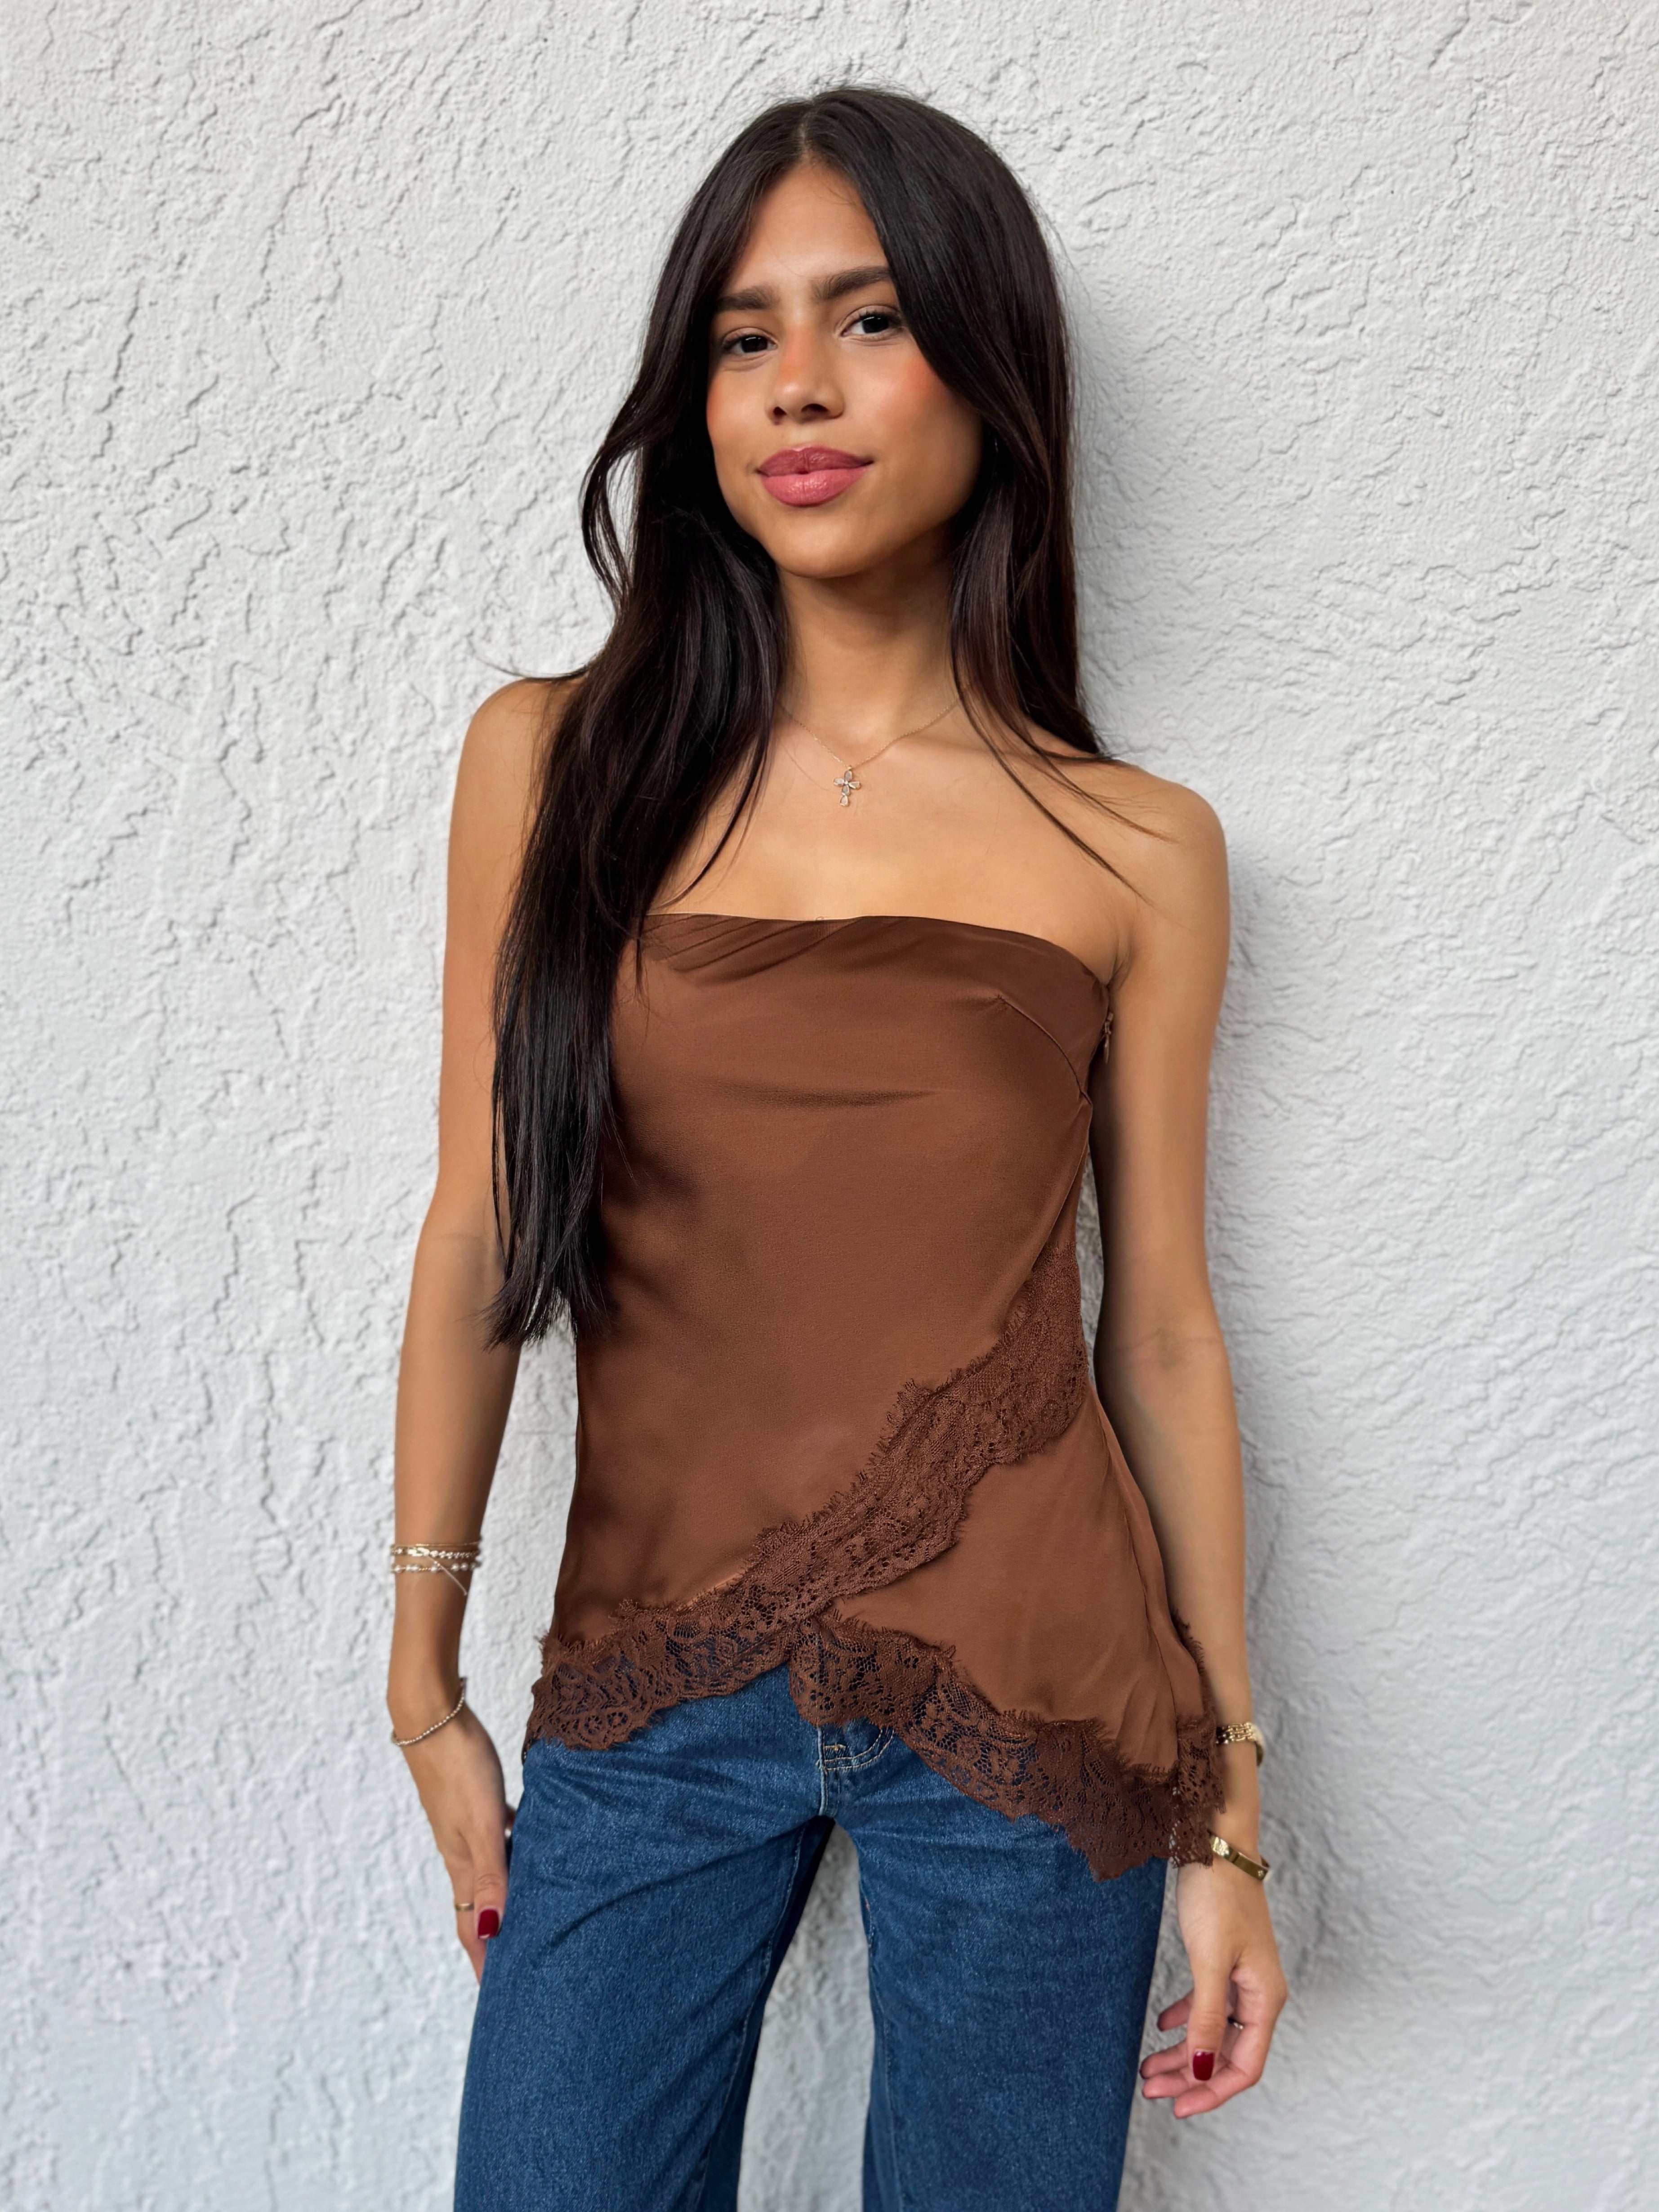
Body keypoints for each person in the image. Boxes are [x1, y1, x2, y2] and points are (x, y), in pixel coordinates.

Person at [388, 85, 1288, 2212]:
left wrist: (1227, 1808)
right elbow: (482, 1220)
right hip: (650, 1683)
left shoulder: (1134, 847)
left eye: (867, 318)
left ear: (990, 370)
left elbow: (1159, 1330)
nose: (793, 383)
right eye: (740, 333)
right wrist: (422, 1675)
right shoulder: (553, 761)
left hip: (1037, 1699)